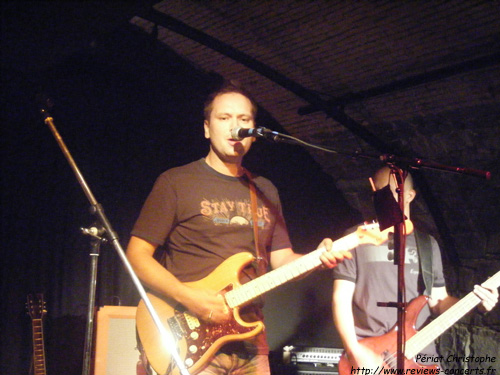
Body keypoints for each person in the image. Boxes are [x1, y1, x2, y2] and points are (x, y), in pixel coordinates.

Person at [126, 81, 351, 375]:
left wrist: (317, 259)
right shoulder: (176, 182)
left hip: (249, 336)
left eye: (244, 120)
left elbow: (282, 259)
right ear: (207, 128)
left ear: (254, 132)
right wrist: (188, 297)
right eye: (225, 118)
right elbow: (137, 255)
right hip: (192, 333)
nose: (236, 126)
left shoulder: (265, 189)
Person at [331, 166, 499, 370]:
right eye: (378, 192)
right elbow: (341, 299)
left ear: (409, 195)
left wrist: (476, 304)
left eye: (390, 192)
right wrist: (354, 352)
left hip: (420, 356)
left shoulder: (427, 244)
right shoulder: (354, 240)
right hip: (371, 354)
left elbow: (438, 301)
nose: (382, 199)